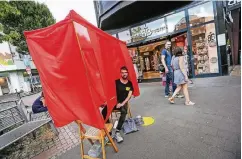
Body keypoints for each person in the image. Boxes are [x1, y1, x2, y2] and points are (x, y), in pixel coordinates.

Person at [101, 66, 133, 143]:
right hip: (114, 101)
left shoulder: (129, 83)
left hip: (123, 102)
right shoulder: (116, 82)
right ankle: (108, 131)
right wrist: (108, 102)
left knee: (124, 112)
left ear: (127, 73)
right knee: (104, 111)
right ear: (120, 74)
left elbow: (129, 95)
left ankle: (117, 131)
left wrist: (122, 103)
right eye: (122, 72)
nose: (124, 74)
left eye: (125, 72)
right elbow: (110, 93)